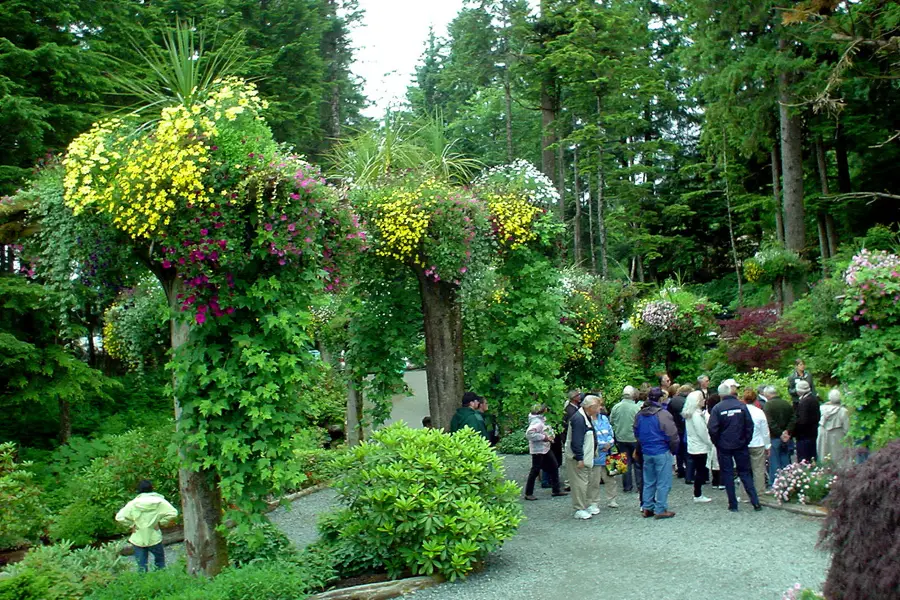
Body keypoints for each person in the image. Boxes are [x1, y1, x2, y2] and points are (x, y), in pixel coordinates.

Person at [707, 381, 761, 512]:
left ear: (720, 394)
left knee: (727, 474)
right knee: (745, 473)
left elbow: (712, 428)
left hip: (724, 446)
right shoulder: (741, 406)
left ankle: (733, 504)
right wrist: (745, 440)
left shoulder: (717, 408)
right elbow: (749, 425)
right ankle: (755, 502)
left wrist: (718, 443)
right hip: (740, 444)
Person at [634, 387, 678, 519]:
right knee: (663, 482)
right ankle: (660, 508)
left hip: (647, 450)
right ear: (660, 399)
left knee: (649, 480)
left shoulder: (640, 414)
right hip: (661, 450)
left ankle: (647, 507)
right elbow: (672, 435)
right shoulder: (663, 414)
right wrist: (674, 449)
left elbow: (636, 433)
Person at [115, 480, 178, 572]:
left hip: (138, 537)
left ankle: (143, 583)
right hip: (154, 536)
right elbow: (173, 513)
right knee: (160, 563)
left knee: (141, 566)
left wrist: (132, 525)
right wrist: (161, 522)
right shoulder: (160, 502)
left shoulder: (133, 503)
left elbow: (119, 517)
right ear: (151, 488)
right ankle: (160, 581)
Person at [566, 395, 602, 520]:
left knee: (586, 482)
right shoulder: (579, 419)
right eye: (598, 406)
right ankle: (579, 508)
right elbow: (576, 441)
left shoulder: (586, 417)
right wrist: (579, 458)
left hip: (586, 457)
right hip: (578, 459)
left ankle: (585, 505)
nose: (600, 408)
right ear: (591, 407)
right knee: (579, 484)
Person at [523, 404, 567, 500]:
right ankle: (528, 493)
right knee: (535, 470)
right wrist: (544, 437)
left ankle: (556, 490)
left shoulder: (540, 420)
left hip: (544, 448)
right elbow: (529, 434)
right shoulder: (537, 422)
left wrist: (550, 436)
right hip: (538, 450)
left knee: (554, 466)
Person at [588, 395, 619, 514]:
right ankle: (594, 502)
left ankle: (612, 499)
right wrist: (602, 446)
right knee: (594, 480)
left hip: (608, 452)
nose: (600, 407)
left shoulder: (604, 419)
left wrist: (610, 443)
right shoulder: (588, 420)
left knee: (611, 478)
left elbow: (611, 432)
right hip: (596, 454)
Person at [762, 385, 795, 492]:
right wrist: (787, 432)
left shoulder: (768, 405)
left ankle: (776, 485)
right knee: (786, 460)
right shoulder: (786, 404)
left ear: (767, 395)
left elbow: (770, 422)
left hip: (775, 437)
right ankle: (788, 483)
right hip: (787, 437)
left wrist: (780, 433)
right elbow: (793, 419)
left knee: (774, 462)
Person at [610, 385, 642, 494]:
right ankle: (639, 486)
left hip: (620, 438)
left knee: (624, 462)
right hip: (634, 439)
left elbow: (611, 421)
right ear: (633, 395)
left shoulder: (616, 407)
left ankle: (627, 487)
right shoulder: (637, 408)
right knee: (638, 462)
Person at [682, 390, 713, 503]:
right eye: (702, 399)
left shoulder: (690, 414)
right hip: (700, 446)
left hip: (693, 445)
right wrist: (710, 442)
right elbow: (702, 432)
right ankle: (698, 494)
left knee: (698, 469)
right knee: (700, 471)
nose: (704, 401)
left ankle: (697, 493)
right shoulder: (696, 415)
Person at [742, 388, 771, 497]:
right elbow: (765, 431)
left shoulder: (741, 411)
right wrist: (767, 445)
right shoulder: (759, 412)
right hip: (758, 443)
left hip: (744, 444)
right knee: (759, 469)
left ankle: (745, 494)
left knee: (745, 470)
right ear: (755, 400)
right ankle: (759, 493)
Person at [818, 389, 851, 467]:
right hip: (837, 434)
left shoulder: (821, 409)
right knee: (838, 456)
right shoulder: (843, 411)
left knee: (823, 454)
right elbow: (847, 428)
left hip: (822, 433)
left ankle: (825, 473)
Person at [667, 384, 692, 481]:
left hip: (675, 428)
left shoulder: (672, 401)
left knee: (679, 452)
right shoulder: (687, 402)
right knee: (686, 452)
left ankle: (680, 469)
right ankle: (689, 472)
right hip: (685, 428)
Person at [794, 380, 821, 463]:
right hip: (813, 432)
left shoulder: (804, 402)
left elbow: (802, 420)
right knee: (812, 457)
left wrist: (794, 431)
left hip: (804, 436)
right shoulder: (814, 399)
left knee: (804, 459)